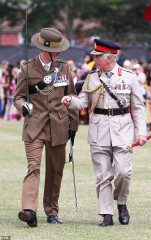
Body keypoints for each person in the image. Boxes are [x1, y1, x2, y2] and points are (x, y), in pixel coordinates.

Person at [62, 39, 147, 227]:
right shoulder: (92, 77)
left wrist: (141, 132)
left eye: (98, 57)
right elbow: (83, 102)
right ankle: (106, 213)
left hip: (123, 129)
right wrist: (70, 101)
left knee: (124, 172)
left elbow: (139, 108)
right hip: (99, 129)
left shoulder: (129, 77)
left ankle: (122, 203)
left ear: (109, 58)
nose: (95, 60)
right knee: (103, 175)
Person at [14, 27, 79, 227]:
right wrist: (23, 107)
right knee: (33, 167)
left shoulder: (64, 67)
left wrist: (73, 126)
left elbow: (73, 96)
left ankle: (51, 211)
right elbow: (18, 97)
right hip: (34, 124)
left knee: (55, 170)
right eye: (56, 50)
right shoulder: (27, 68)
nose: (59, 53)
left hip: (58, 125)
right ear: (45, 49)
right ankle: (29, 211)